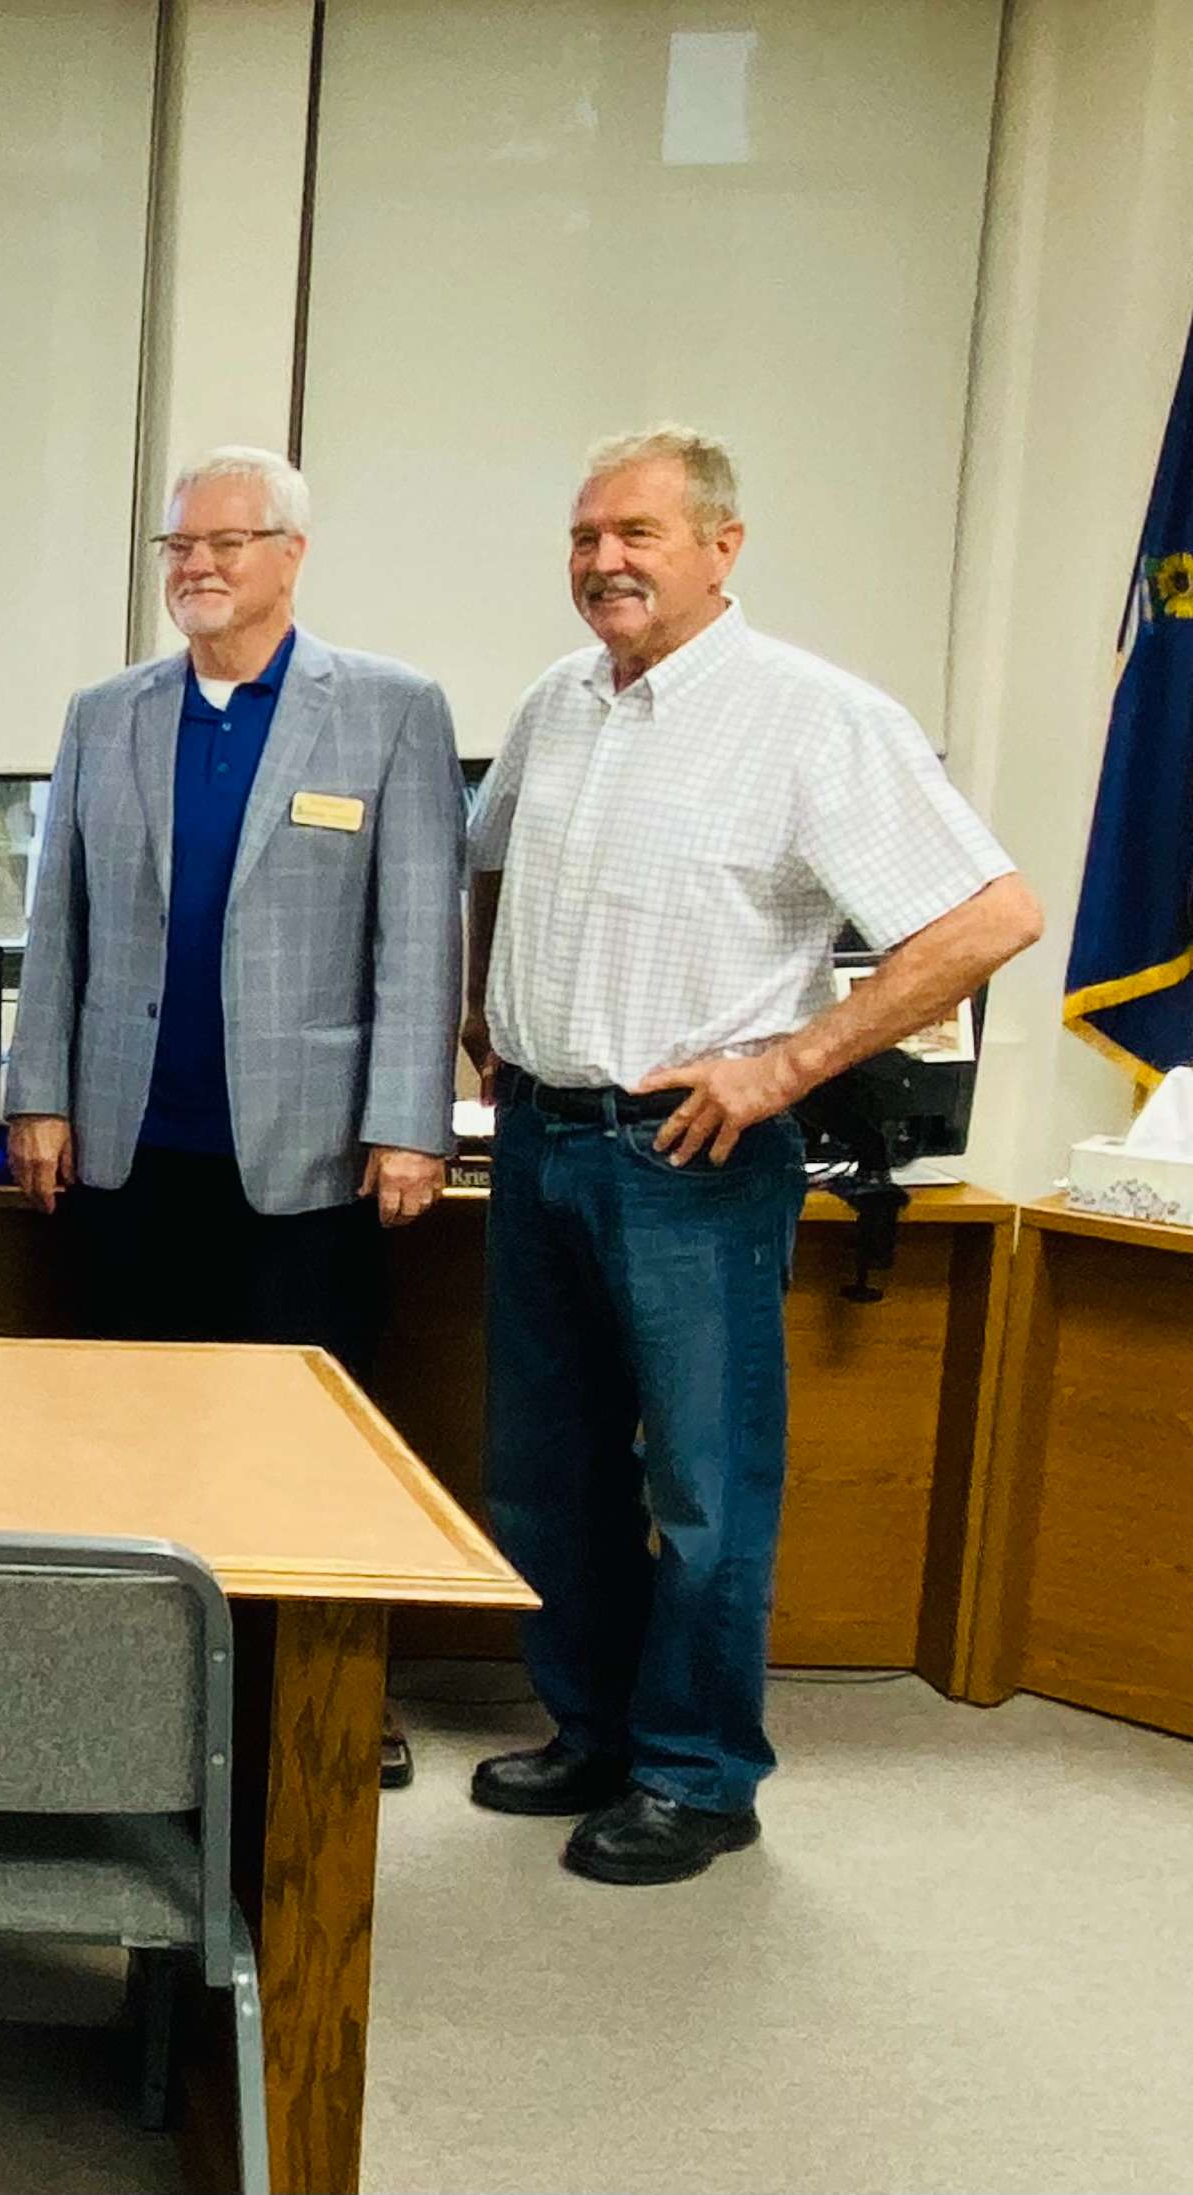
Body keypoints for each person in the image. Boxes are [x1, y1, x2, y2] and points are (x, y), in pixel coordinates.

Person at [464, 426, 1040, 1885]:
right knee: (550, 1475)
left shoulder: (814, 717)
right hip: (538, 1137)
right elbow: (488, 858)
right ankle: (592, 1729)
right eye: (587, 535)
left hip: (690, 1157)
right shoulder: (558, 702)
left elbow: (986, 919)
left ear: (723, 547)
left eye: (639, 534)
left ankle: (701, 1775)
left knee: (705, 1492)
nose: (604, 561)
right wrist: (486, 1011)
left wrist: (788, 1064)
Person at [5, 447, 463, 1789]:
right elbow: (57, 921)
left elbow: (417, 936)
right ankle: (140, 1692)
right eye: (177, 546)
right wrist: (37, 1093)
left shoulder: (386, 709)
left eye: (227, 542)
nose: (196, 566)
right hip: (130, 1145)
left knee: (315, 1445)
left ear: (292, 555)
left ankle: (325, 1689)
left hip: (311, 1154)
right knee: (128, 1436)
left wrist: (409, 1120)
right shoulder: (109, 713)